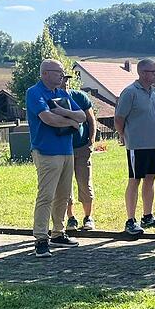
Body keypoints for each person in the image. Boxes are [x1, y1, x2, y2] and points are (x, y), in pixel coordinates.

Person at [26, 59, 87, 257]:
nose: (62, 75)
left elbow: (82, 116)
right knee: (46, 195)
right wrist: (72, 122)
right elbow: (47, 118)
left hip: (66, 150)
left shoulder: (61, 93)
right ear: (45, 73)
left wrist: (63, 113)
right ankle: (41, 238)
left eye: (62, 72)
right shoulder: (34, 93)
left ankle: (58, 233)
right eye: (58, 71)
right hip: (46, 151)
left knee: (63, 194)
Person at [114, 58, 155, 235]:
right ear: (143, 73)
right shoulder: (130, 92)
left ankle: (147, 216)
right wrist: (123, 136)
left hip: (153, 145)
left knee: (150, 179)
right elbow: (119, 119)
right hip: (137, 146)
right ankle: (130, 220)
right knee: (134, 181)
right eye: (154, 71)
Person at [61, 76, 97, 232]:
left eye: (66, 79)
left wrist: (91, 140)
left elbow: (91, 120)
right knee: (65, 185)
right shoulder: (51, 99)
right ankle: (71, 218)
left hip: (82, 147)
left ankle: (88, 217)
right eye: (62, 79)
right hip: (62, 148)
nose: (65, 82)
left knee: (84, 182)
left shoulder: (80, 96)